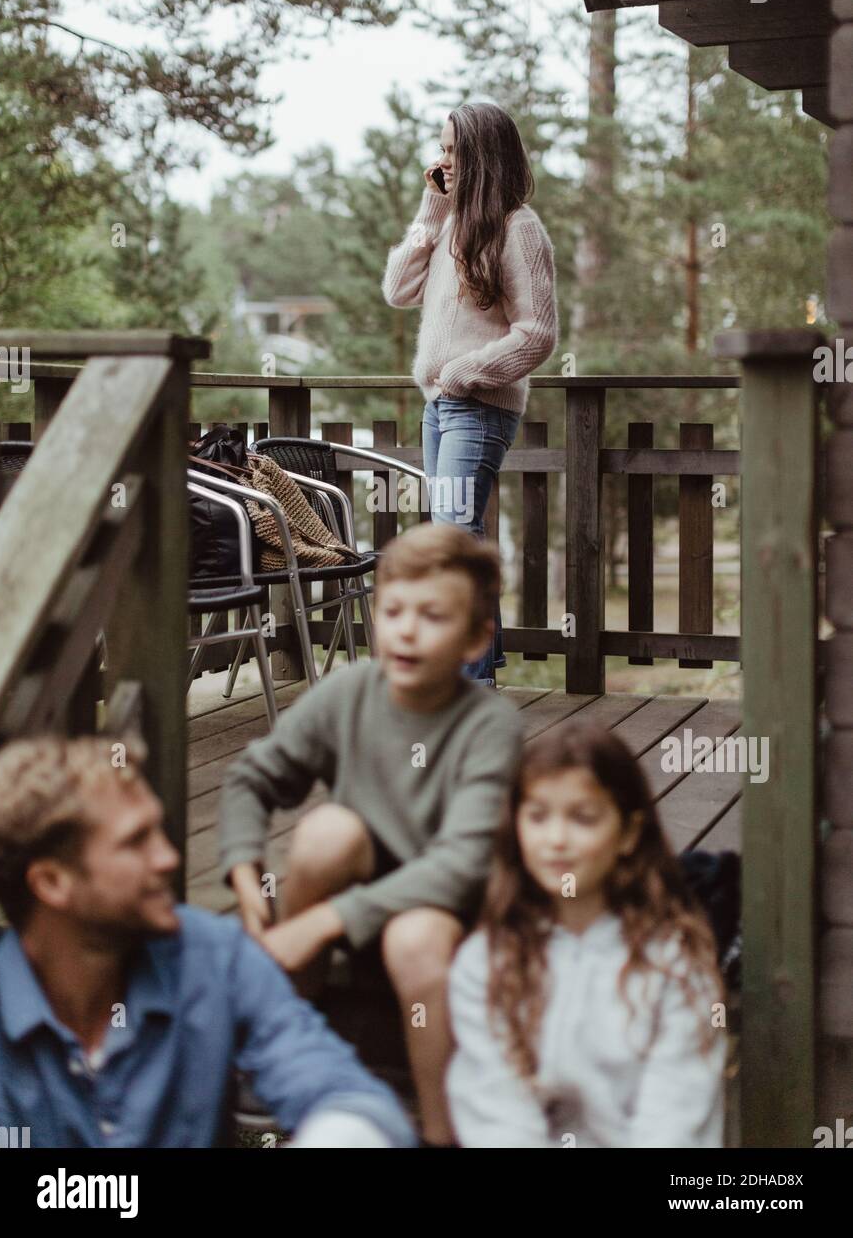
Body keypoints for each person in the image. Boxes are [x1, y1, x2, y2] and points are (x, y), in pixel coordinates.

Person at [220, 521, 525, 1146]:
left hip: (453, 924)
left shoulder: (488, 725)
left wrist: (324, 921)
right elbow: (251, 778)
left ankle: (443, 1130)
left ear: (475, 641)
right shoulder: (349, 692)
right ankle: (284, 1045)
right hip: (362, 906)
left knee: (415, 936)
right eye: (392, 612)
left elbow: (462, 865)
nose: (407, 630)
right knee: (326, 832)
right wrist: (245, 869)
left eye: (433, 617)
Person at [0, 732, 415, 1148]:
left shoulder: (213, 957)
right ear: (52, 882)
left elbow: (351, 1097)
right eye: (136, 842)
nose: (169, 858)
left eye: (160, 831)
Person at [446, 722, 727, 1148]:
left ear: (629, 833)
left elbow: (676, 1114)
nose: (556, 840)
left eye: (583, 818)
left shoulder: (674, 960)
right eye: (538, 816)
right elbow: (496, 1113)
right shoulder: (485, 960)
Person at [381, 101, 559, 688]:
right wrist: (430, 212)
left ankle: (470, 687)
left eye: (454, 150)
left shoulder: (520, 228)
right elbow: (396, 290)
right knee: (457, 539)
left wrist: (465, 371)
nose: (443, 161)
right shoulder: (454, 222)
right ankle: (480, 673)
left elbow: (538, 334)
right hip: (441, 410)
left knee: (454, 541)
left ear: (483, 154)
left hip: (477, 408)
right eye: (442, 148)